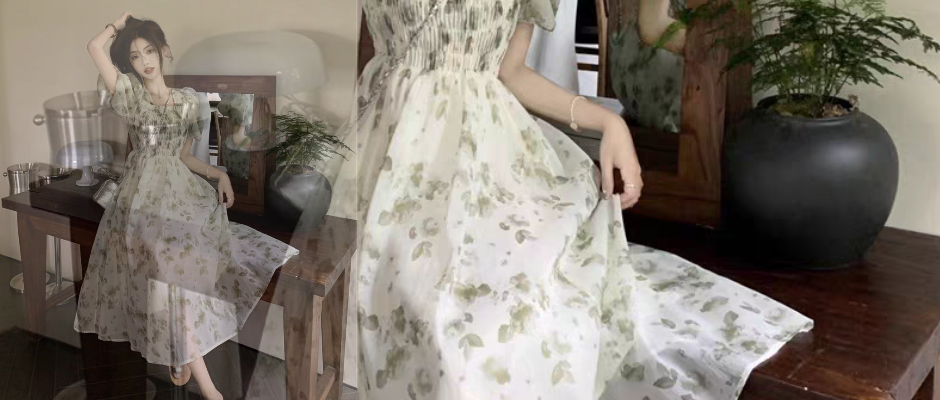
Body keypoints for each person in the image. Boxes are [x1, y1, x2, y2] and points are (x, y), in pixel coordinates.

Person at [350, 1, 813, 399]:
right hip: (386, 153)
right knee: (390, 298)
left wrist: (610, 123)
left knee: (486, 323)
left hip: (484, 158)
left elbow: (510, 72)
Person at [77, 13, 299, 400]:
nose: (144, 61)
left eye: (149, 51)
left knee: (182, 276)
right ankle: (209, 388)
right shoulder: (130, 94)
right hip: (140, 200)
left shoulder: (187, 101)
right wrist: (118, 24)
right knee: (166, 277)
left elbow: (184, 157)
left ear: (163, 51)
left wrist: (220, 174)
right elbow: (94, 47)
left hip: (179, 195)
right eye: (135, 56)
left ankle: (181, 354)